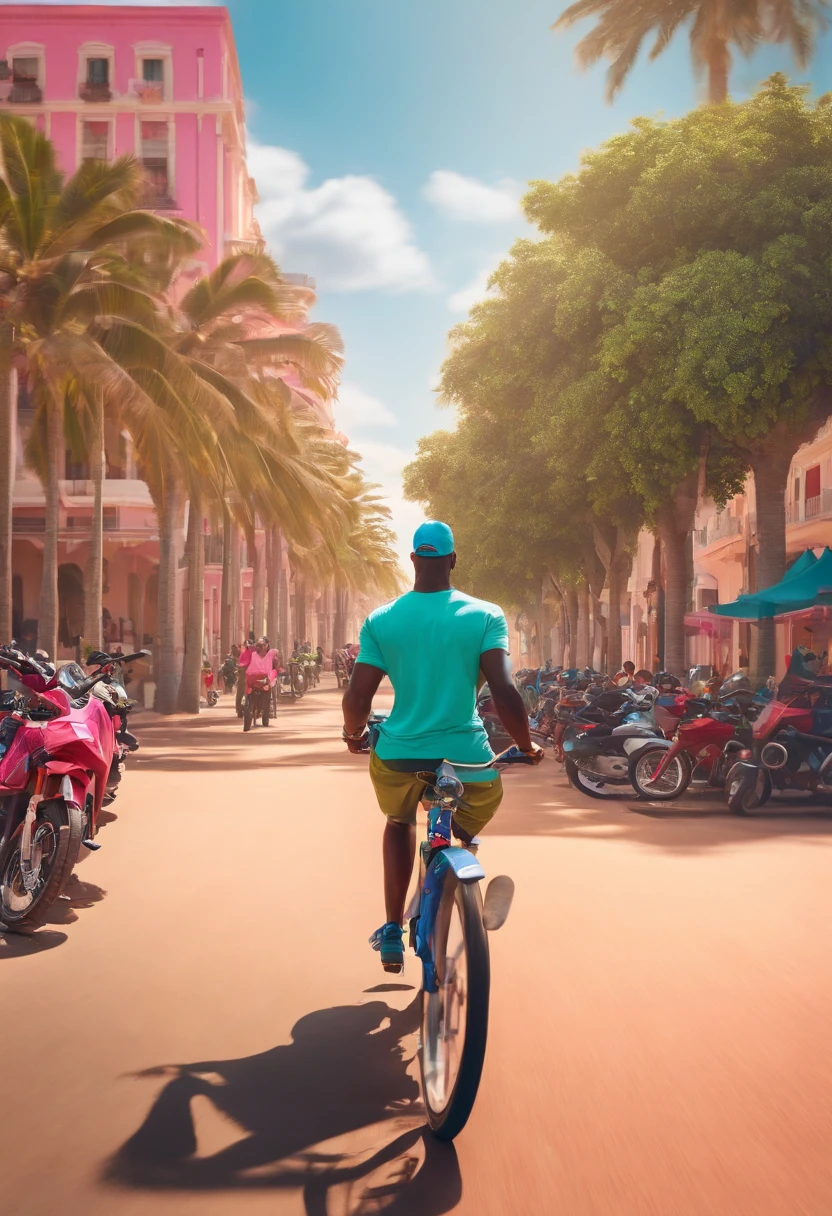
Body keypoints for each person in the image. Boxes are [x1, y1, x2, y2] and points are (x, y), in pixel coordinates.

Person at [342, 520, 544, 972]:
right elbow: (506, 693)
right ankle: (465, 856)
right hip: (467, 758)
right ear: (453, 560)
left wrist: (353, 734)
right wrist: (526, 745)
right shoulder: (485, 615)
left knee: (398, 822)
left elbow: (358, 697)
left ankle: (392, 929)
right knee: (474, 813)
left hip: (399, 755)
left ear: (413, 559)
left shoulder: (381, 619)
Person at [236, 633, 256, 717]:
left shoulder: (251, 652)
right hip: (246, 673)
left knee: (241, 691)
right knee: (241, 690)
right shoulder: (250, 652)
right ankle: (239, 709)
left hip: (249, 673)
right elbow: (240, 662)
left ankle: (239, 709)